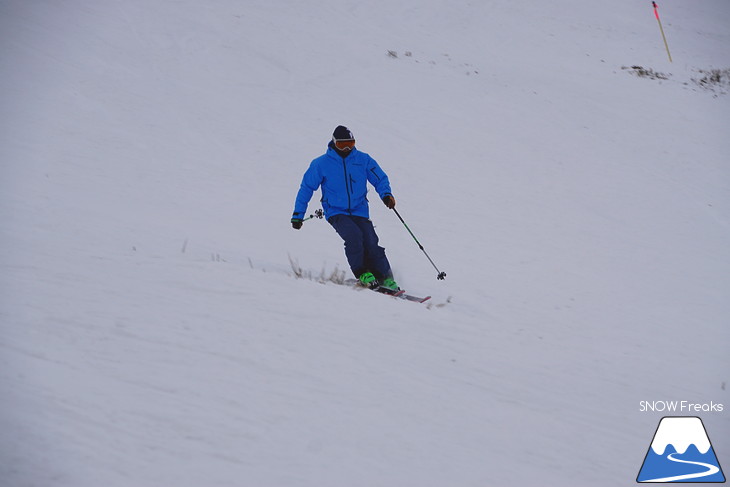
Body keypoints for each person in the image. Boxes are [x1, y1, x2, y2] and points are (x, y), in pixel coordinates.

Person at [291, 125, 399, 291]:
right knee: (354, 236)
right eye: (343, 145)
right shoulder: (321, 164)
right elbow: (306, 188)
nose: (348, 148)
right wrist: (298, 215)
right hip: (336, 211)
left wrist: (386, 194)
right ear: (334, 143)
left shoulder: (363, 160)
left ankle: (385, 277)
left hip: (360, 209)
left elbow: (380, 178)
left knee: (371, 241)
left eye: (351, 143)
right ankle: (362, 273)